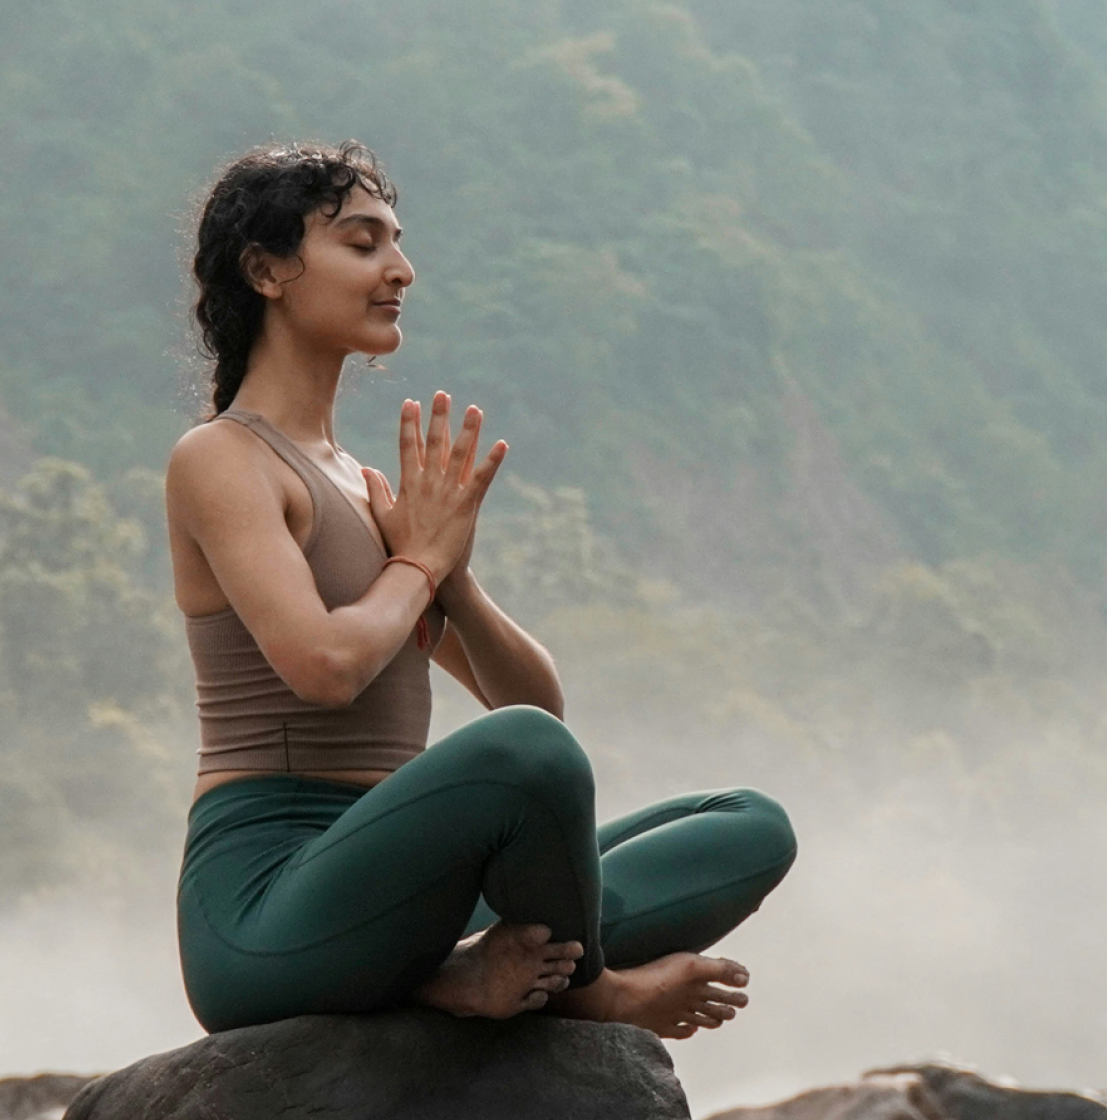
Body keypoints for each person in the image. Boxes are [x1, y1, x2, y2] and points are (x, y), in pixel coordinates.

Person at [164, 140, 797, 1038]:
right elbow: (325, 667)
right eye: (362, 242)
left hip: (410, 890)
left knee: (749, 825)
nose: (402, 269)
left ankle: (452, 974)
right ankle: (590, 991)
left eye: (398, 242)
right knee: (520, 755)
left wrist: (449, 574)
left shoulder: (364, 486)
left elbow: (534, 702)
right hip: (268, 914)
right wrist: (416, 565)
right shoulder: (222, 459)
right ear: (266, 270)